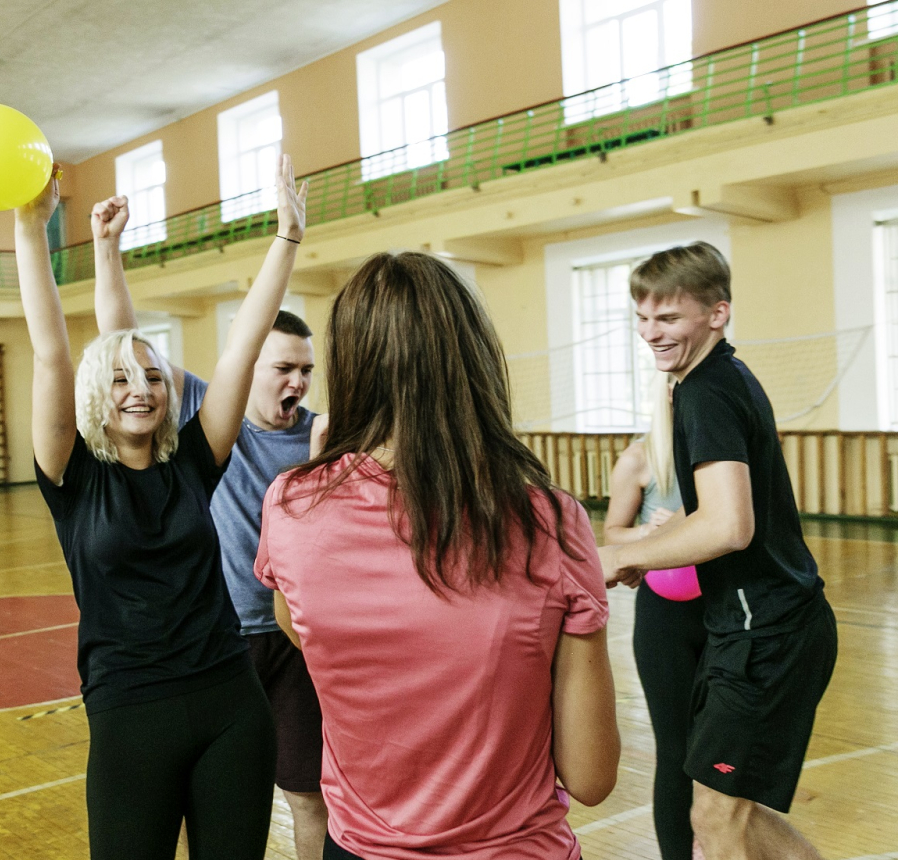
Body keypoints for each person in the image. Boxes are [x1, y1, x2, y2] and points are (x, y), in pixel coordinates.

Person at [255, 251, 620, 859]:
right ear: (474, 362)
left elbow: (295, 625)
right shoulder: (550, 523)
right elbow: (591, 776)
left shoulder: (290, 507)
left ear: (350, 368)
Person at [17, 155, 306, 860]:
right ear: (96, 395)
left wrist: (287, 239)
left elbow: (243, 346)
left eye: (151, 375)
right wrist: (33, 229)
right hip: (129, 713)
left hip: (230, 706)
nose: (139, 388)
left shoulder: (195, 462)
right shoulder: (72, 473)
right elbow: (54, 353)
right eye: (118, 379)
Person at [87, 193, 328, 858]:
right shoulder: (200, 417)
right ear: (250, 367)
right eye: (285, 367)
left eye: (307, 370)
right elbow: (120, 337)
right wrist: (108, 250)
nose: (299, 381)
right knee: (195, 805)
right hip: (221, 644)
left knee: (310, 792)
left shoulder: (322, 437)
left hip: (295, 638)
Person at [597, 242, 837, 860]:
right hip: (757, 626)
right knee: (727, 813)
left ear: (716, 313)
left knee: (716, 817)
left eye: (668, 318)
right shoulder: (710, 380)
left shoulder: (705, 389)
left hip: (767, 631)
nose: (651, 333)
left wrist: (625, 555)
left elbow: (729, 524)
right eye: (643, 319)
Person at [602, 372, 705, 860]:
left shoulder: (721, 454)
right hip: (665, 618)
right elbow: (612, 534)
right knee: (676, 752)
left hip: (727, 614)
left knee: (720, 759)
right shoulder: (639, 459)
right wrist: (650, 532)